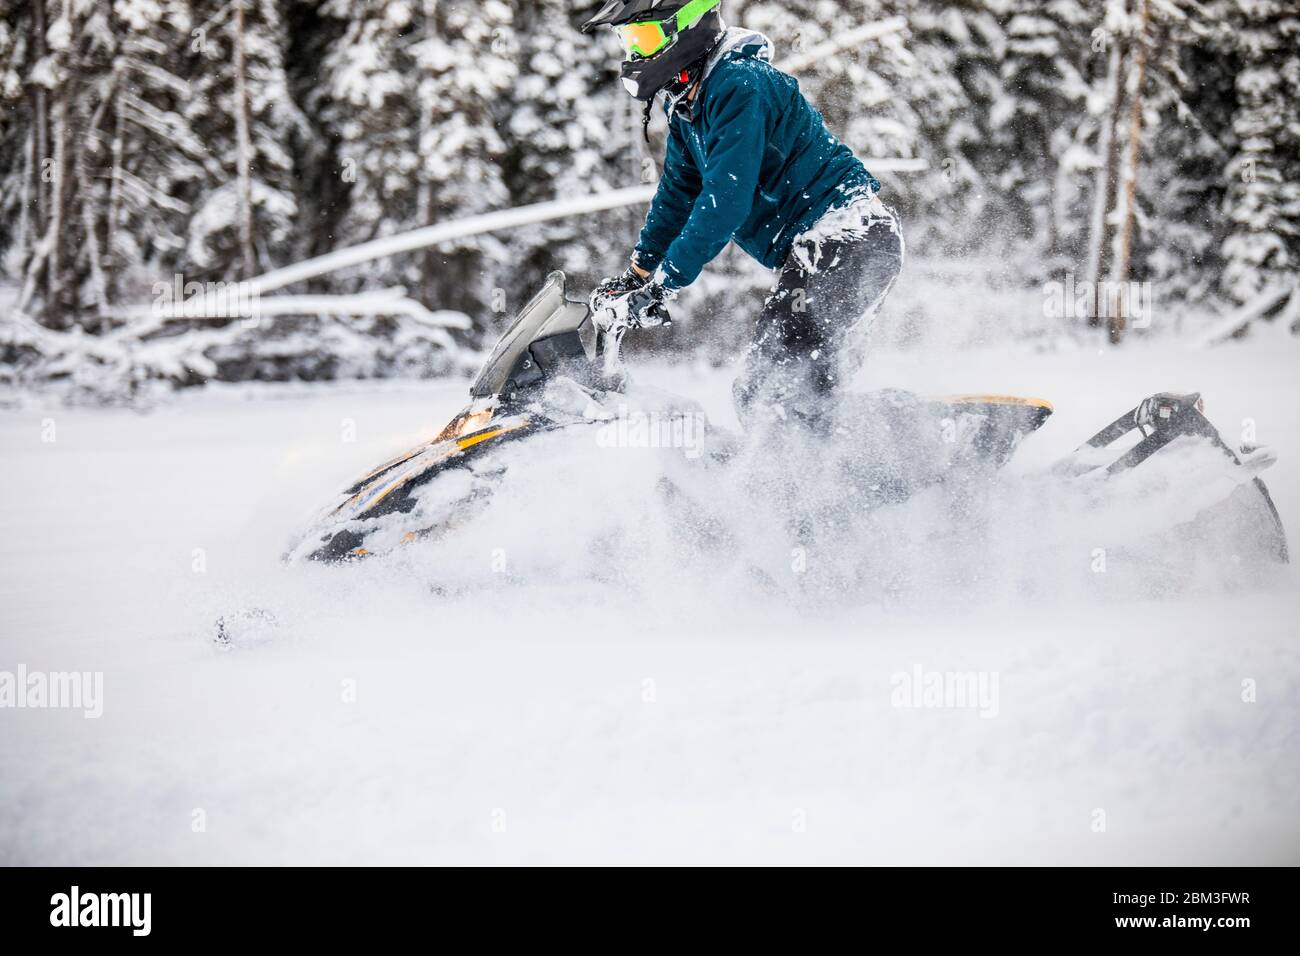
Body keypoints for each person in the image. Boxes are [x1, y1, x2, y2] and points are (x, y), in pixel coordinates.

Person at [583, 0, 904, 434]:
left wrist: (665, 283)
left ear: (689, 30)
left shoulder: (738, 83)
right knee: (777, 392)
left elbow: (726, 199)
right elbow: (678, 195)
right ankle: (852, 463)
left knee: (775, 387)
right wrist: (638, 274)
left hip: (849, 239)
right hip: (828, 248)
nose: (636, 54)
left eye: (645, 38)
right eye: (628, 41)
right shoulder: (688, 107)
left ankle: (837, 477)